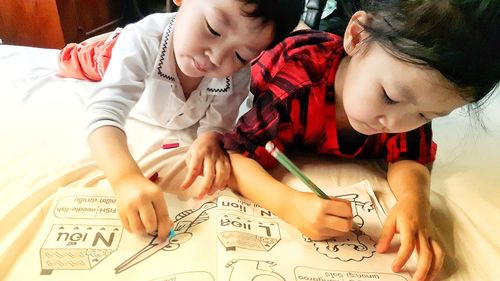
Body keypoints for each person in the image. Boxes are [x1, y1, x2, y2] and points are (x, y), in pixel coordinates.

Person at [223, 0, 499, 280]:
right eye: (389, 96)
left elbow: (410, 156)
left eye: (427, 115)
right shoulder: (294, 88)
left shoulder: (410, 101)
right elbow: (235, 156)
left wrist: (413, 201)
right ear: (357, 36)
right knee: (288, 32)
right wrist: (289, 205)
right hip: (290, 51)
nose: (396, 124)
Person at [65, 0, 305, 242]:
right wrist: (125, 178)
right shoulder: (143, 40)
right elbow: (103, 112)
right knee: (94, 60)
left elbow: (221, 118)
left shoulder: (236, 72)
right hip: (120, 53)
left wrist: (210, 137)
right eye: (213, 29)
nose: (216, 58)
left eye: (241, 55)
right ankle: (83, 52)